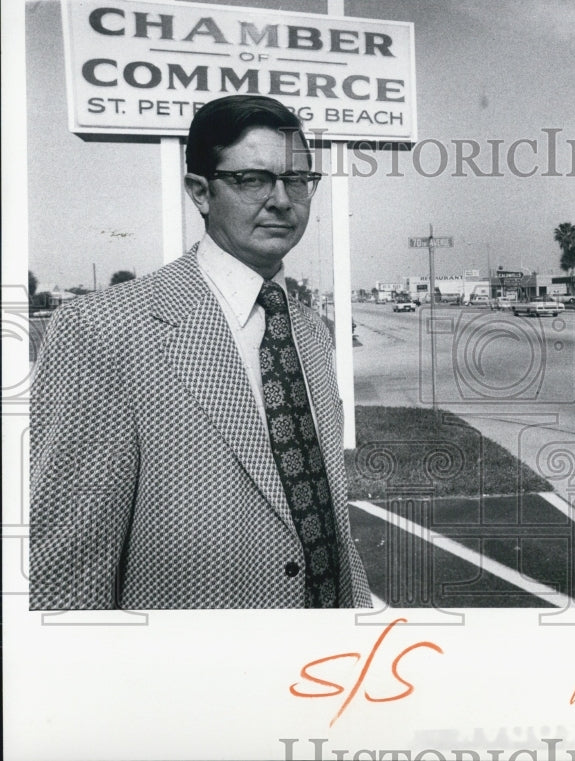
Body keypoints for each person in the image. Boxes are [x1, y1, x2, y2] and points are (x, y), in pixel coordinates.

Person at [30, 94, 372, 610]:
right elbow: (66, 570)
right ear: (200, 192)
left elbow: (323, 518)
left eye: (297, 180)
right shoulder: (103, 330)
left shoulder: (308, 329)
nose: (282, 199)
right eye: (252, 179)